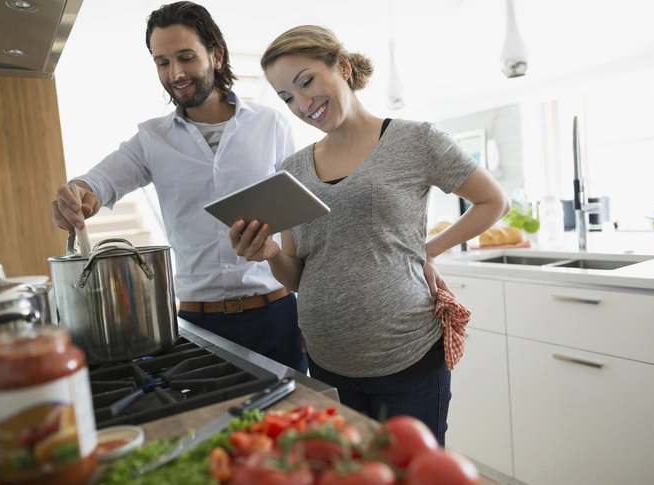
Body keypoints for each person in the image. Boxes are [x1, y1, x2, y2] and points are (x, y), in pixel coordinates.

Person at [230, 25, 510, 443]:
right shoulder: (293, 169)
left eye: (307, 81)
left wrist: (425, 252)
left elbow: (493, 202)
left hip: (406, 357)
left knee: (411, 473)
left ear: (342, 66)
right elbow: (297, 279)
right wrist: (270, 252)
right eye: (287, 97)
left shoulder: (417, 139)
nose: (303, 104)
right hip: (326, 361)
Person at [49, 1, 307, 373]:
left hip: (278, 314)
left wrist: (309, 309)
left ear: (216, 56)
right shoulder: (152, 139)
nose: (175, 73)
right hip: (199, 324)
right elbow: (97, 183)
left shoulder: (270, 125)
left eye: (186, 57)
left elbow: (302, 222)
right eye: (162, 62)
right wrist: (77, 193)